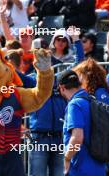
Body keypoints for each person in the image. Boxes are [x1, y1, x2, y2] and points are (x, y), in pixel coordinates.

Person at [28, 26, 84, 176]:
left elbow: (79, 65)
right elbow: (13, 75)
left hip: (59, 137)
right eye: (36, 51)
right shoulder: (31, 79)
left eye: (43, 50)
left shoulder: (61, 76)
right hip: (39, 137)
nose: (40, 55)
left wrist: (76, 41)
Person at [58, 70, 105, 176]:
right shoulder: (92, 100)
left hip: (80, 169)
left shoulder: (74, 104)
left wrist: (66, 158)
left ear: (62, 88)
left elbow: (77, 138)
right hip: (99, 167)